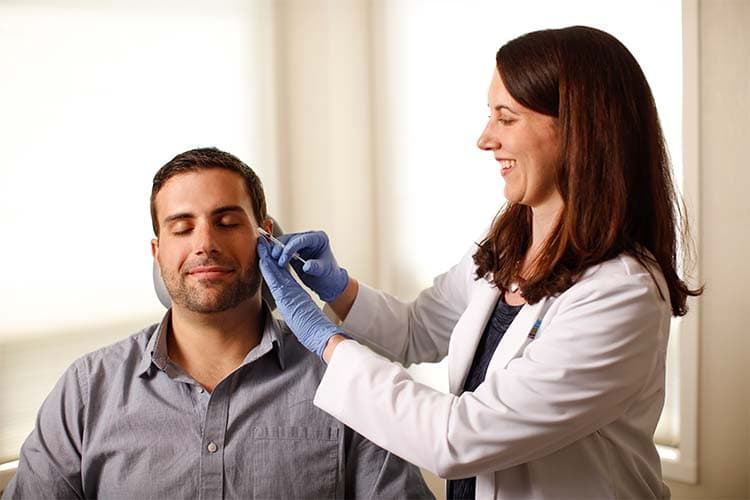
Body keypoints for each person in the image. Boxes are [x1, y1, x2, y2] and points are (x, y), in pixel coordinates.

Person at [257, 26, 703, 500]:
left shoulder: (621, 293)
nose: (485, 139)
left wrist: (324, 340)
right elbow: (416, 330)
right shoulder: (509, 245)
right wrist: (336, 288)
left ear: (577, 130)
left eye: (505, 118)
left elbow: (459, 439)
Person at [3, 147, 433, 499]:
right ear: (157, 253)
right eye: (182, 227)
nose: (205, 244)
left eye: (227, 223)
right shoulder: (86, 391)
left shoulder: (344, 382)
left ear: (266, 237)